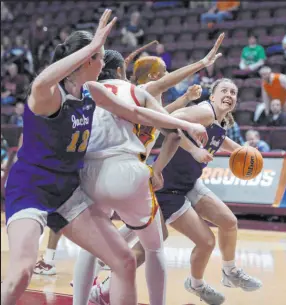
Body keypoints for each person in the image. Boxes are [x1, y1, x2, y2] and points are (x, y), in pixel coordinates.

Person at [2, 10, 207, 305]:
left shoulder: (92, 91)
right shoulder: (49, 94)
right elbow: (39, 83)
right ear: (85, 59)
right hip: (31, 188)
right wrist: (93, 43)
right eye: (99, 57)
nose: (106, 62)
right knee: (22, 271)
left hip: (68, 191)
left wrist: (185, 124)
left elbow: (136, 113)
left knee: (123, 261)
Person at [91, 79, 263, 305]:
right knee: (154, 246)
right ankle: (103, 287)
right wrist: (193, 150)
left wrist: (242, 151)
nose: (229, 94)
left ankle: (227, 273)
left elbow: (219, 139)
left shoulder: (218, 122)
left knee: (228, 222)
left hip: (187, 184)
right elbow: (173, 123)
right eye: (224, 90)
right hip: (167, 188)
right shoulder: (205, 112)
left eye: (233, 91)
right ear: (212, 96)